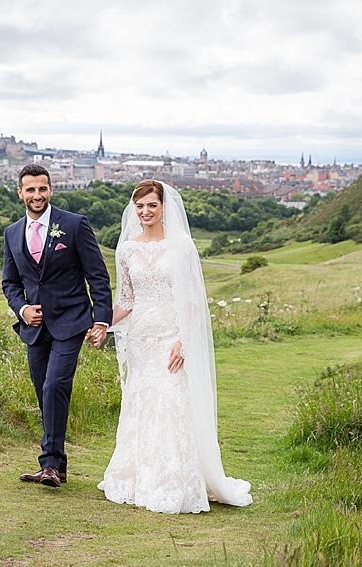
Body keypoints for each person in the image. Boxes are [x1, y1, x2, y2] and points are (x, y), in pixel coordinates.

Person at [97, 180, 252, 513]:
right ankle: (138, 477)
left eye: (152, 205)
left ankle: (173, 480)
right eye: (139, 206)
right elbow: (127, 299)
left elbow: (193, 298)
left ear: (164, 206)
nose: (145, 212)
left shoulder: (182, 245)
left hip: (171, 335)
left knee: (171, 401)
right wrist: (101, 322)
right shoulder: (126, 249)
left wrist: (184, 339)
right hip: (139, 337)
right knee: (142, 402)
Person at [2, 164, 112, 488]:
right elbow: (10, 283)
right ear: (20, 193)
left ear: (51, 190)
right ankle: (59, 465)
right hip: (34, 328)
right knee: (44, 392)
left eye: (42, 189)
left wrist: (101, 320)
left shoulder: (75, 225)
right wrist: (22, 309)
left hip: (71, 320)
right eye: (30, 190)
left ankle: (48, 465)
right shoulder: (11, 233)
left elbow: (98, 276)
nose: (37, 195)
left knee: (54, 387)